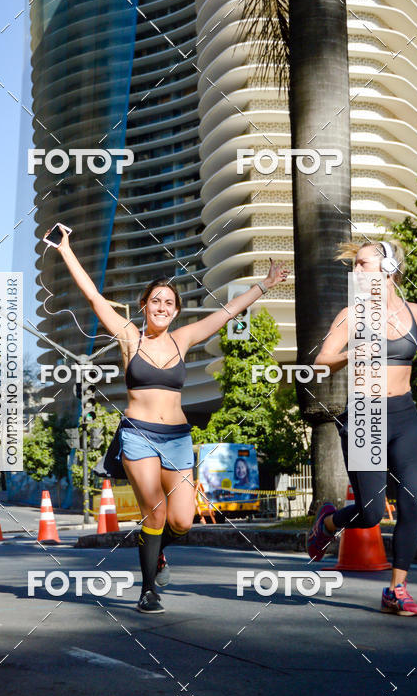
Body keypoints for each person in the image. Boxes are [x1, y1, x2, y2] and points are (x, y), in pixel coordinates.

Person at [51, 226, 288, 613]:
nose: (161, 307)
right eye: (155, 301)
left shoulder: (184, 338)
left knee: (182, 522)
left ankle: (158, 551)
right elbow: (93, 296)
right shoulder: (130, 337)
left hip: (177, 437)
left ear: (176, 311)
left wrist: (264, 284)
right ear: (144, 305)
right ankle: (148, 590)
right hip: (138, 436)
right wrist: (66, 250)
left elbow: (227, 312)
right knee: (156, 511)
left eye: (169, 303)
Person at [307, 239, 417, 616]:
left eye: (362, 264)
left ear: (387, 268)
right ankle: (329, 520)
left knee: (413, 502)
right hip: (365, 416)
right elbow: (320, 363)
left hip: (405, 416)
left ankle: (396, 590)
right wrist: (352, 353)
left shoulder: (416, 314)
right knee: (369, 513)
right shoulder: (351, 316)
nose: (355, 272)